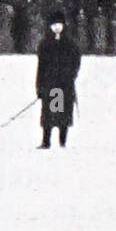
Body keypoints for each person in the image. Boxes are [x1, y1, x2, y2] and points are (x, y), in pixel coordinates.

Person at [36, 9, 81, 148]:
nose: (57, 27)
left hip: (65, 84)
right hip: (49, 83)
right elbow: (41, 66)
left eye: (59, 24)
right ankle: (46, 141)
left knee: (64, 112)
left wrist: (70, 74)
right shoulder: (45, 44)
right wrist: (39, 86)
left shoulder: (70, 44)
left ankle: (63, 141)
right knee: (48, 113)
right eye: (54, 25)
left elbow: (76, 62)